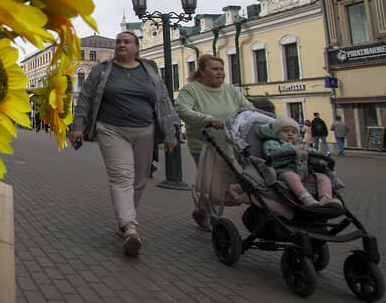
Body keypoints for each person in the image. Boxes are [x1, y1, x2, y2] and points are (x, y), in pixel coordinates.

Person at [69, 32, 179, 257]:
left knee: (139, 179)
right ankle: (130, 227)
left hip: (145, 130)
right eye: (118, 42)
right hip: (111, 129)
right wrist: (77, 126)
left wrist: (170, 134)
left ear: (137, 48)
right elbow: (86, 98)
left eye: (126, 42)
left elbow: (164, 101)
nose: (121, 45)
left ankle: (124, 221)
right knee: (122, 176)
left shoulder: (149, 70)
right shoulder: (102, 70)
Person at [175, 54, 253, 232]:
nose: (220, 73)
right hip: (204, 146)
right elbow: (182, 110)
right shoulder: (191, 90)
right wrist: (208, 119)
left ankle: (202, 213)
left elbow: (248, 109)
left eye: (221, 69)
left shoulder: (230, 90)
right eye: (214, 69)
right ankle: (217, 224)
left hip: (228, 146)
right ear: (202, 71)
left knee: (220, 184)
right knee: (214, 185)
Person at [259, 116, 342, 207]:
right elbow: (272, 154)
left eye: (294, 132)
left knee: (323, 177)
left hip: (305, 173)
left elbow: (315, 157)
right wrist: (292, 148)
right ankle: (306, 197)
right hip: (283, 171)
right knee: (291, 176)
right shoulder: (271, 143)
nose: (290, 134)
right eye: (285, 131)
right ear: (276, 133)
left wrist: (312, 154)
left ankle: (326, 197)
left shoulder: (301, 144)